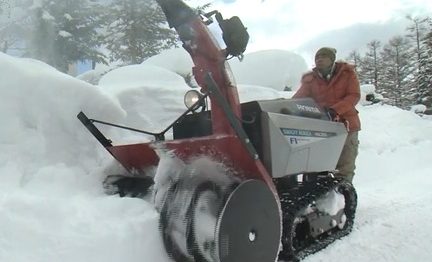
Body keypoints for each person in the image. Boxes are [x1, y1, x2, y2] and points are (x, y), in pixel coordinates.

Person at [293, 47, 361, 183]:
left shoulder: (347, 73)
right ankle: (321, 197)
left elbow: (354, 95)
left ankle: (343, 197)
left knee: (345, 165)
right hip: (322, 127)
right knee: (318, 165)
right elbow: (298, 100)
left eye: (323, 56)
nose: (319, 59)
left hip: (346, 124)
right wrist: (286, 108)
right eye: (317, 57)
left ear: (332, 59)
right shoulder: (310, 79)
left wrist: (335, 110)